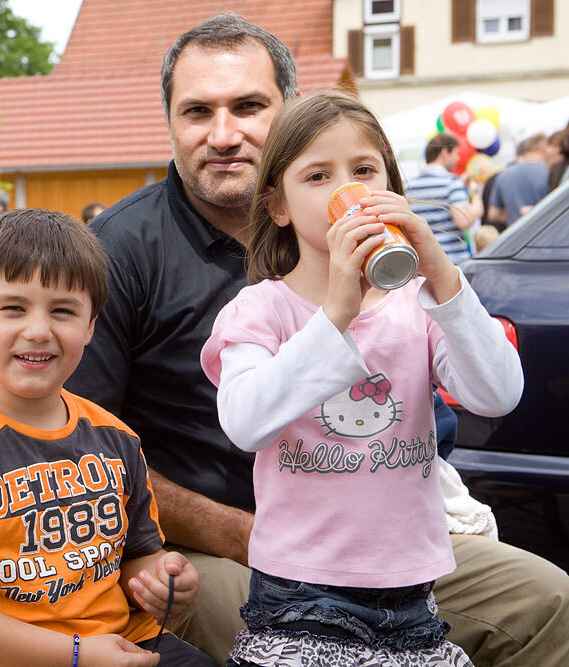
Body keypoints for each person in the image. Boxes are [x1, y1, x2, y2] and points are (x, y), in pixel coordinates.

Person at [65, 12, 569, 666]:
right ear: (169, 122)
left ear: (290, 113)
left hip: (386, 539)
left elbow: (485, 392)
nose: (223, 134)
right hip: (223, 549)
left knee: (549, 602)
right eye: (197, 112)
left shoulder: (394, 284)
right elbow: (85, 443)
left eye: (249, 106)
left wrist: (440, 278)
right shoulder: (120, 252)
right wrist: (233, 530)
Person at [201, 90, 522, 666]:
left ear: (392, 191)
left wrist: (444, 276)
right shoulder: (260, 310)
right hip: (297, 594)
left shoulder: (419, 304)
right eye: (318, 175)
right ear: (278, 206)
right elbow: (245, 422)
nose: (347, 190)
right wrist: (337, 312)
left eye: (365, 170)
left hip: (413, 590)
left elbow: (497, 393)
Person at [0, 209, 214, 667]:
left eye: (63, 311)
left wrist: (159, 579)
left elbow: (135, 558)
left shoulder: (117, 439)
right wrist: (75, 655)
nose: (38, 330)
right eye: (13, 307)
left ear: (91, 325)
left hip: (122, 644)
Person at [405, 133, 481, 264]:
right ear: (445, 153)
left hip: (422, 263)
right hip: (453, 262)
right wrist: (476, 207)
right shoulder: (451, 182)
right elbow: (463, 220)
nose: (458, 158)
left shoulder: (407, 186)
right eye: (456, 153)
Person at [488, 133, 550, 225]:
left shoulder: (504, 174)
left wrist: (515, 216)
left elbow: (493, 214)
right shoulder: (549, 171)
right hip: (547, 230)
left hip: (517, 234)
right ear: (544, 149)